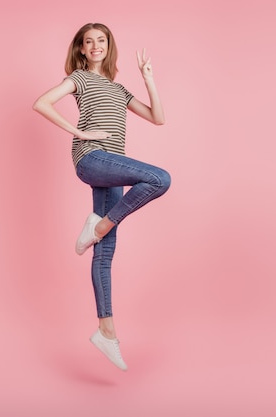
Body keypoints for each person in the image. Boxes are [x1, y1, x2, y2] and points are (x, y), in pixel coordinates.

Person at [32, 23, 171, 371]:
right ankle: (100, 223)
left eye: (101, 41)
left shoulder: (119, 88)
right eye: (89, 42)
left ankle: (105, 331)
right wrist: (78, 131)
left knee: (105, 250)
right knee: (159, 178)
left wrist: (148, 78)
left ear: (109, 47)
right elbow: (41, 102)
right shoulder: (78, 79)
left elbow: (158, 118)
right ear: (81, 49)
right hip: (92, 158)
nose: (95, 46)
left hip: (114, 165)